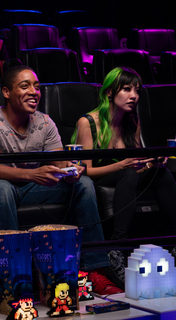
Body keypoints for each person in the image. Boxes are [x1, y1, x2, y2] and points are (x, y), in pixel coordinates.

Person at [0, 65, 121, 295]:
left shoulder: (44, 122)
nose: (34, 91)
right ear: (6, 92)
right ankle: (14, 276)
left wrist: (69, 170)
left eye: (37, 86)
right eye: (25, 86)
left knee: (83, 184)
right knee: (1, 188)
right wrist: (31, 174)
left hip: (29, 189)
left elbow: (58, 162)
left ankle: (94, 269)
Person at [72, 66, 176, 283]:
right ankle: (117, 248)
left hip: (126, 175)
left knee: (162, 174)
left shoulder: (133, 122)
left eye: (137, 91)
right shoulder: (89, 122)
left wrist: (151, 165)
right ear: (110, 92)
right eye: (127, 89)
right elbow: (86, 171)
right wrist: (123, 166)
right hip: (98, 179)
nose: (134, 96)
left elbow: (136, 165)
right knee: (128, 174)